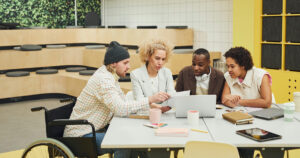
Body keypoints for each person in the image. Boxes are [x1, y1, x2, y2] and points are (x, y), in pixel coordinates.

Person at [63, 41, 170, 158]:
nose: (128, 67)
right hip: (80, 136)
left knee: (132, 137)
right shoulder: (104, 80)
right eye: (125, 63)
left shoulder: (111, 77)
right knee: (123, 140)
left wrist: (152, 105)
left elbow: (123, 103)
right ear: (113, 64)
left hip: (93, 130)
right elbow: (121, 109)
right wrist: (150, 99)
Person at [130, 39, 175, 113]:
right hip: (146, 112)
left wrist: (164, 107)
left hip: (165, 112)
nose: (160, 62)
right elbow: (139, 101)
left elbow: (171, 95)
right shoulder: (135, 74)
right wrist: (157, 106)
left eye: (163, 59)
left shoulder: (167, 72)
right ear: (148, 57)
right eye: (157, 58)